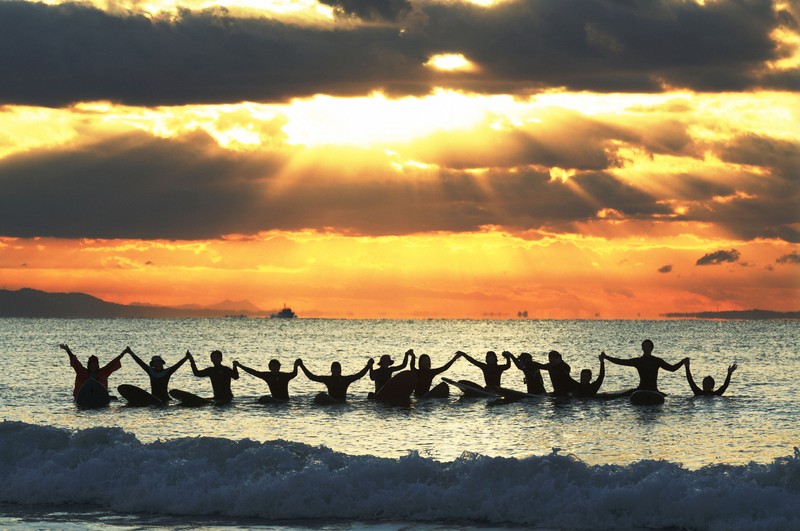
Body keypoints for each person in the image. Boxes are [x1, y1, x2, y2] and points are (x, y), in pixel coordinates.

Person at [602, 340, 687, 393]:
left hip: (654, 390)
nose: (646, 348)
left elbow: (672, 369)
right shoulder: (638, 361)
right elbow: (621, 362)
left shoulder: (657, 361)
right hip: (640, 389)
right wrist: (606, 357)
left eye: (648, 346)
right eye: (644, 346)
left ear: (651, 348)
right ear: (642, 348)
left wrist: (682, 361)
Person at [60, 343, 126, 399]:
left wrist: (122, 354)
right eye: (92, 364)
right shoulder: (82, 372)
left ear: (97, 365)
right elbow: (75, 362)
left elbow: (112, 363)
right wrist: (68, 350)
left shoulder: (103, 372)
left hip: (99, 396)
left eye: (95, 364)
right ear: (89, 365)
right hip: (85, 396)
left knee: (115, 398)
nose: (93, 366)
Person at [125, 347, 189, 402]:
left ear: (162, 363)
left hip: (165, 398)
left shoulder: (167, 372)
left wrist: (186, 357)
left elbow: (177, 365)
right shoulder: (151, 371)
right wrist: (131, 352)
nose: (157, 364)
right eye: (155, 363)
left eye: (158, 362)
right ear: (153, 364)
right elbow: (140, 362)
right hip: (154, 398)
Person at [298, 358, 373, 402]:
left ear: (341, 370)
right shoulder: (328, 379)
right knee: (321, 395)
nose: (337, 371)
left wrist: (368, 366)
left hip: (340, 402)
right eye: (335, 370)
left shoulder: (345, 380)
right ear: (331, 370)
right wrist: (301, 365)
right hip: (331, 401)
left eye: (338, 370)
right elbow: (312, 377)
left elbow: (359, 375)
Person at [234, 358, 300, 400]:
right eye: (273, 367)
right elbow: (254, 372)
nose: (274, 368)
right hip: (275, 400)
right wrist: (240, 365)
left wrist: (295, 366)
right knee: (262, 399)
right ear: (269, 367)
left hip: (285, 400)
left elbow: (294, 373)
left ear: (279, 367)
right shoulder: (267, 376)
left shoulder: (284, 376)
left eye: (276, 367)